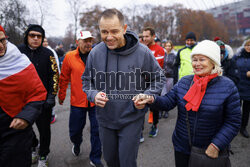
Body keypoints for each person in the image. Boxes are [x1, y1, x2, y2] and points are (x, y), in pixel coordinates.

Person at [133, 40, 241, 167]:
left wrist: (216, 145)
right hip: (182, 147)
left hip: (210, 150)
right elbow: (168, 102)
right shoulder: (185, 82)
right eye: (194, 60)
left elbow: (233, 122)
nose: (197, 64)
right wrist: (151, 99)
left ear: (213, 62)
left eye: (202, 59)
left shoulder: (227, 86)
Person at [82, 8, 164, 167]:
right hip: (105, 119)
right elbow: (86, 81)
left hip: (131, 118)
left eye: (114, 31)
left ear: (124, 29)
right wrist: (93, 94)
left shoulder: (142, 52)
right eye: (104, 32)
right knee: (111, 160)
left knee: (127, 162)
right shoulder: (95, 53)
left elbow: (158, 78)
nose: (109, 36)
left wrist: (147, 95)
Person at [0, 25, 47, 167]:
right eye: (32, 35)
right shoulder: (22, 49)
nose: (0, 46)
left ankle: (43, 154)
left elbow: (39, 91)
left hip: (15, 133)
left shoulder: (21, 61)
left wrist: (26, 116)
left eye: (2, 41)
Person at [58, 30, 103, 167]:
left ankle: (95, 158)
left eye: (90, 41)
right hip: (77, 101)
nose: (88, 43)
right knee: (75, 130)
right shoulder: (69, 57)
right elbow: (64, 77)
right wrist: (61, 94)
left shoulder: (97, 56)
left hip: (95, 100)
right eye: (85, 41)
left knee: (97, 130)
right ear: (78, 42)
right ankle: (76, 143)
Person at [18, 24, 59, 167]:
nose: (35, 38)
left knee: (44, 130)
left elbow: (54, 76)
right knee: (25, 128)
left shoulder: (48, 53)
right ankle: (33, 146)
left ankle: (43, 154)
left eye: (39, 36)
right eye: (32, 35)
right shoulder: (17, 51)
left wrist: (51, 96)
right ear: (26, 36)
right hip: (23, 100)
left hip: (43, 101)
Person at [143, 27, 165, 137]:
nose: (145, 38)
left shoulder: (160, 50)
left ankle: (154, 126)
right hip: (141, 83)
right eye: (143, 36)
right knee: (140, 105)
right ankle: (139, 131)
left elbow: (157, 69)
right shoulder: (140, 49)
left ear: (153, 36)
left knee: (153, 105)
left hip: (154, 83)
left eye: (147, 36)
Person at [233, 39, 250, 138]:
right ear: (244, 46)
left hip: (248, 88)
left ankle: (243, 127)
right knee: (236, 109)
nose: (248, 47)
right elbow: (231, 67)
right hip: (237, 87)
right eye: (247, 45)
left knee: (246, 110)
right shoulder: (237, 56)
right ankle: (234, 126)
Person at [43, 37, 60, 124]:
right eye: (43, 41)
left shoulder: (51, 51)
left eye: (46, 41)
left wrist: (57, 76)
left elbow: (56, 64)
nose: (45, 43)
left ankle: (52, 114)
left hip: (51, 79)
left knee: (51, 97)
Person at [160, 40, 177, 119]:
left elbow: (175, 66)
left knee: (168, 94)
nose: (167, 47)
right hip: (162, 76)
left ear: (171, 47)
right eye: (166, 45)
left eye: (169, 46)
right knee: (162, 93)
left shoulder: (174, 55)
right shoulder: (162, 54)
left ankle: (166, 110)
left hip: (170, 76)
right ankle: (161, 110)